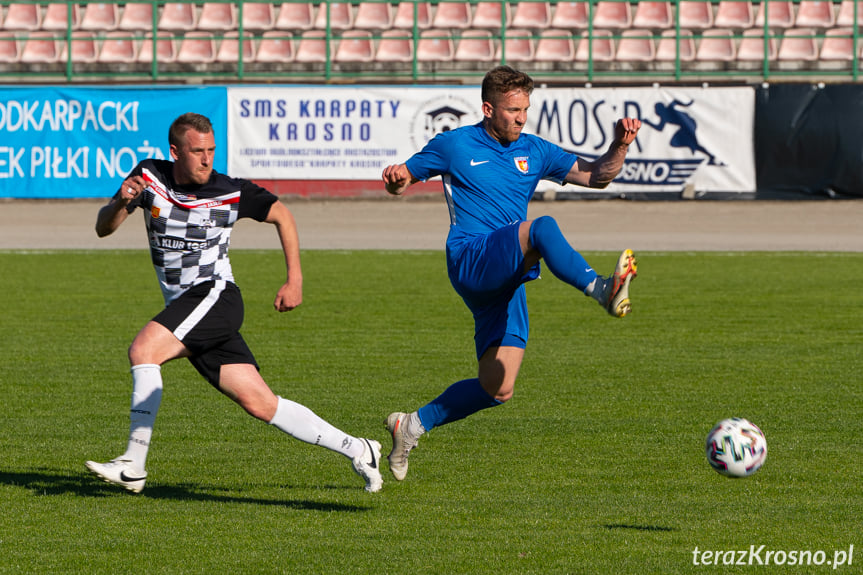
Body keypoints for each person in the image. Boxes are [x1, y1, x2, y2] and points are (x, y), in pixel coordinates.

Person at [86, 112, 382, 493]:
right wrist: (119, 203)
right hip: (189, 309)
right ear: (175, 152)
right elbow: (102, 228)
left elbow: (283, 216)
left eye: (211, 149)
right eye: (197, 151)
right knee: (261, 403)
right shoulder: (148, 178)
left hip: (215, 296)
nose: (207, 159)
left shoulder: (231, 190)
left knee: (144, 350)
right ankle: (359, 448)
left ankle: (133, 463)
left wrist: (296, 279)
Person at [380, 66, 641, 481]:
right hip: (471, 257)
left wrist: (620, 146)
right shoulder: (453, 144)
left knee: (498, 388)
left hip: (507, 277)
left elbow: (596, 176)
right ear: (488, 109)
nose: (522, 118)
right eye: (513, 110)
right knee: (541, 228)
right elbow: (403, 179)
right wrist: (396, 180)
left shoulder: (534, 150)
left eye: (526, 109)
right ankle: (602, 289)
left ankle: (411, 425)